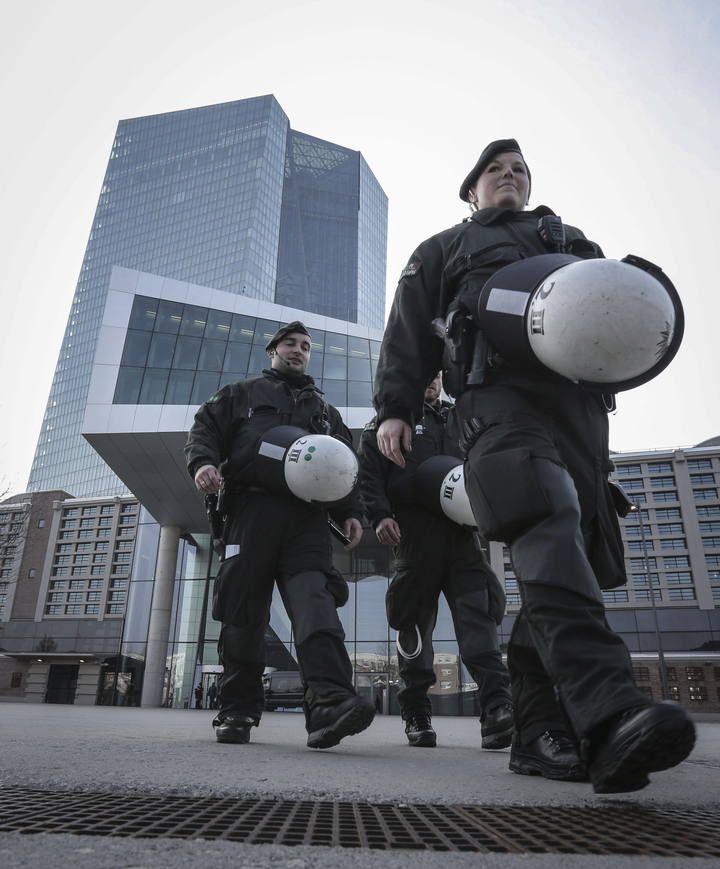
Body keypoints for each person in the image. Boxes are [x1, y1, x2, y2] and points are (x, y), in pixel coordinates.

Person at [372, 140, 695, 793]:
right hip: (495, 401)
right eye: (497, 170)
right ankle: (607, 713)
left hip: (579, 412)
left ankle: (537, 732)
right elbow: (406, 327)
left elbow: (614, 310)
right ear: (472, 190)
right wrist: (395, 408)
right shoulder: (445, 247)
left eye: (519, 168)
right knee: (543, 515)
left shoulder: (570, 238)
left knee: (567, 549)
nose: (510, 176)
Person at [185, 321, 375, 749]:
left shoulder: (326, 413)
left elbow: (344, 466)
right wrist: (203, 464)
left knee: (316, 604)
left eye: (306, 346)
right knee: (242, 612)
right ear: (272, 351)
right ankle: (237, 709)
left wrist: (350, 512)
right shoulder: (241, 394)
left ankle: (329, 704)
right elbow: (204, 431)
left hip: (305, 520)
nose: (299, 350)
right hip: (250, 511)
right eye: (290, 344)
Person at [359, 373, 513, 749]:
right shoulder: (386, 423)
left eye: (435, 375)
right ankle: (416, 713)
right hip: (414, 538)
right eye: (422, 373)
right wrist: (380, 516)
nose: (428, 380)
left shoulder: (460, 417)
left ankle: (497, 709)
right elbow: (368, 476)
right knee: (413, 631)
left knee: (479, 623)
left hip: (461, 537)